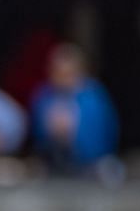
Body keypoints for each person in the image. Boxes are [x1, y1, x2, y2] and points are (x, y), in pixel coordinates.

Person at [29, 44, 117, 173]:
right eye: (58, 73)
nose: (63, 79)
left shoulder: (93, 97)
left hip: (90, 165)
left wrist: (73, 133)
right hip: (53, 164)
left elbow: (105, 139)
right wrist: (50, 131)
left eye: (68, 74)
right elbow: (36, 136)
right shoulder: (43, 95)